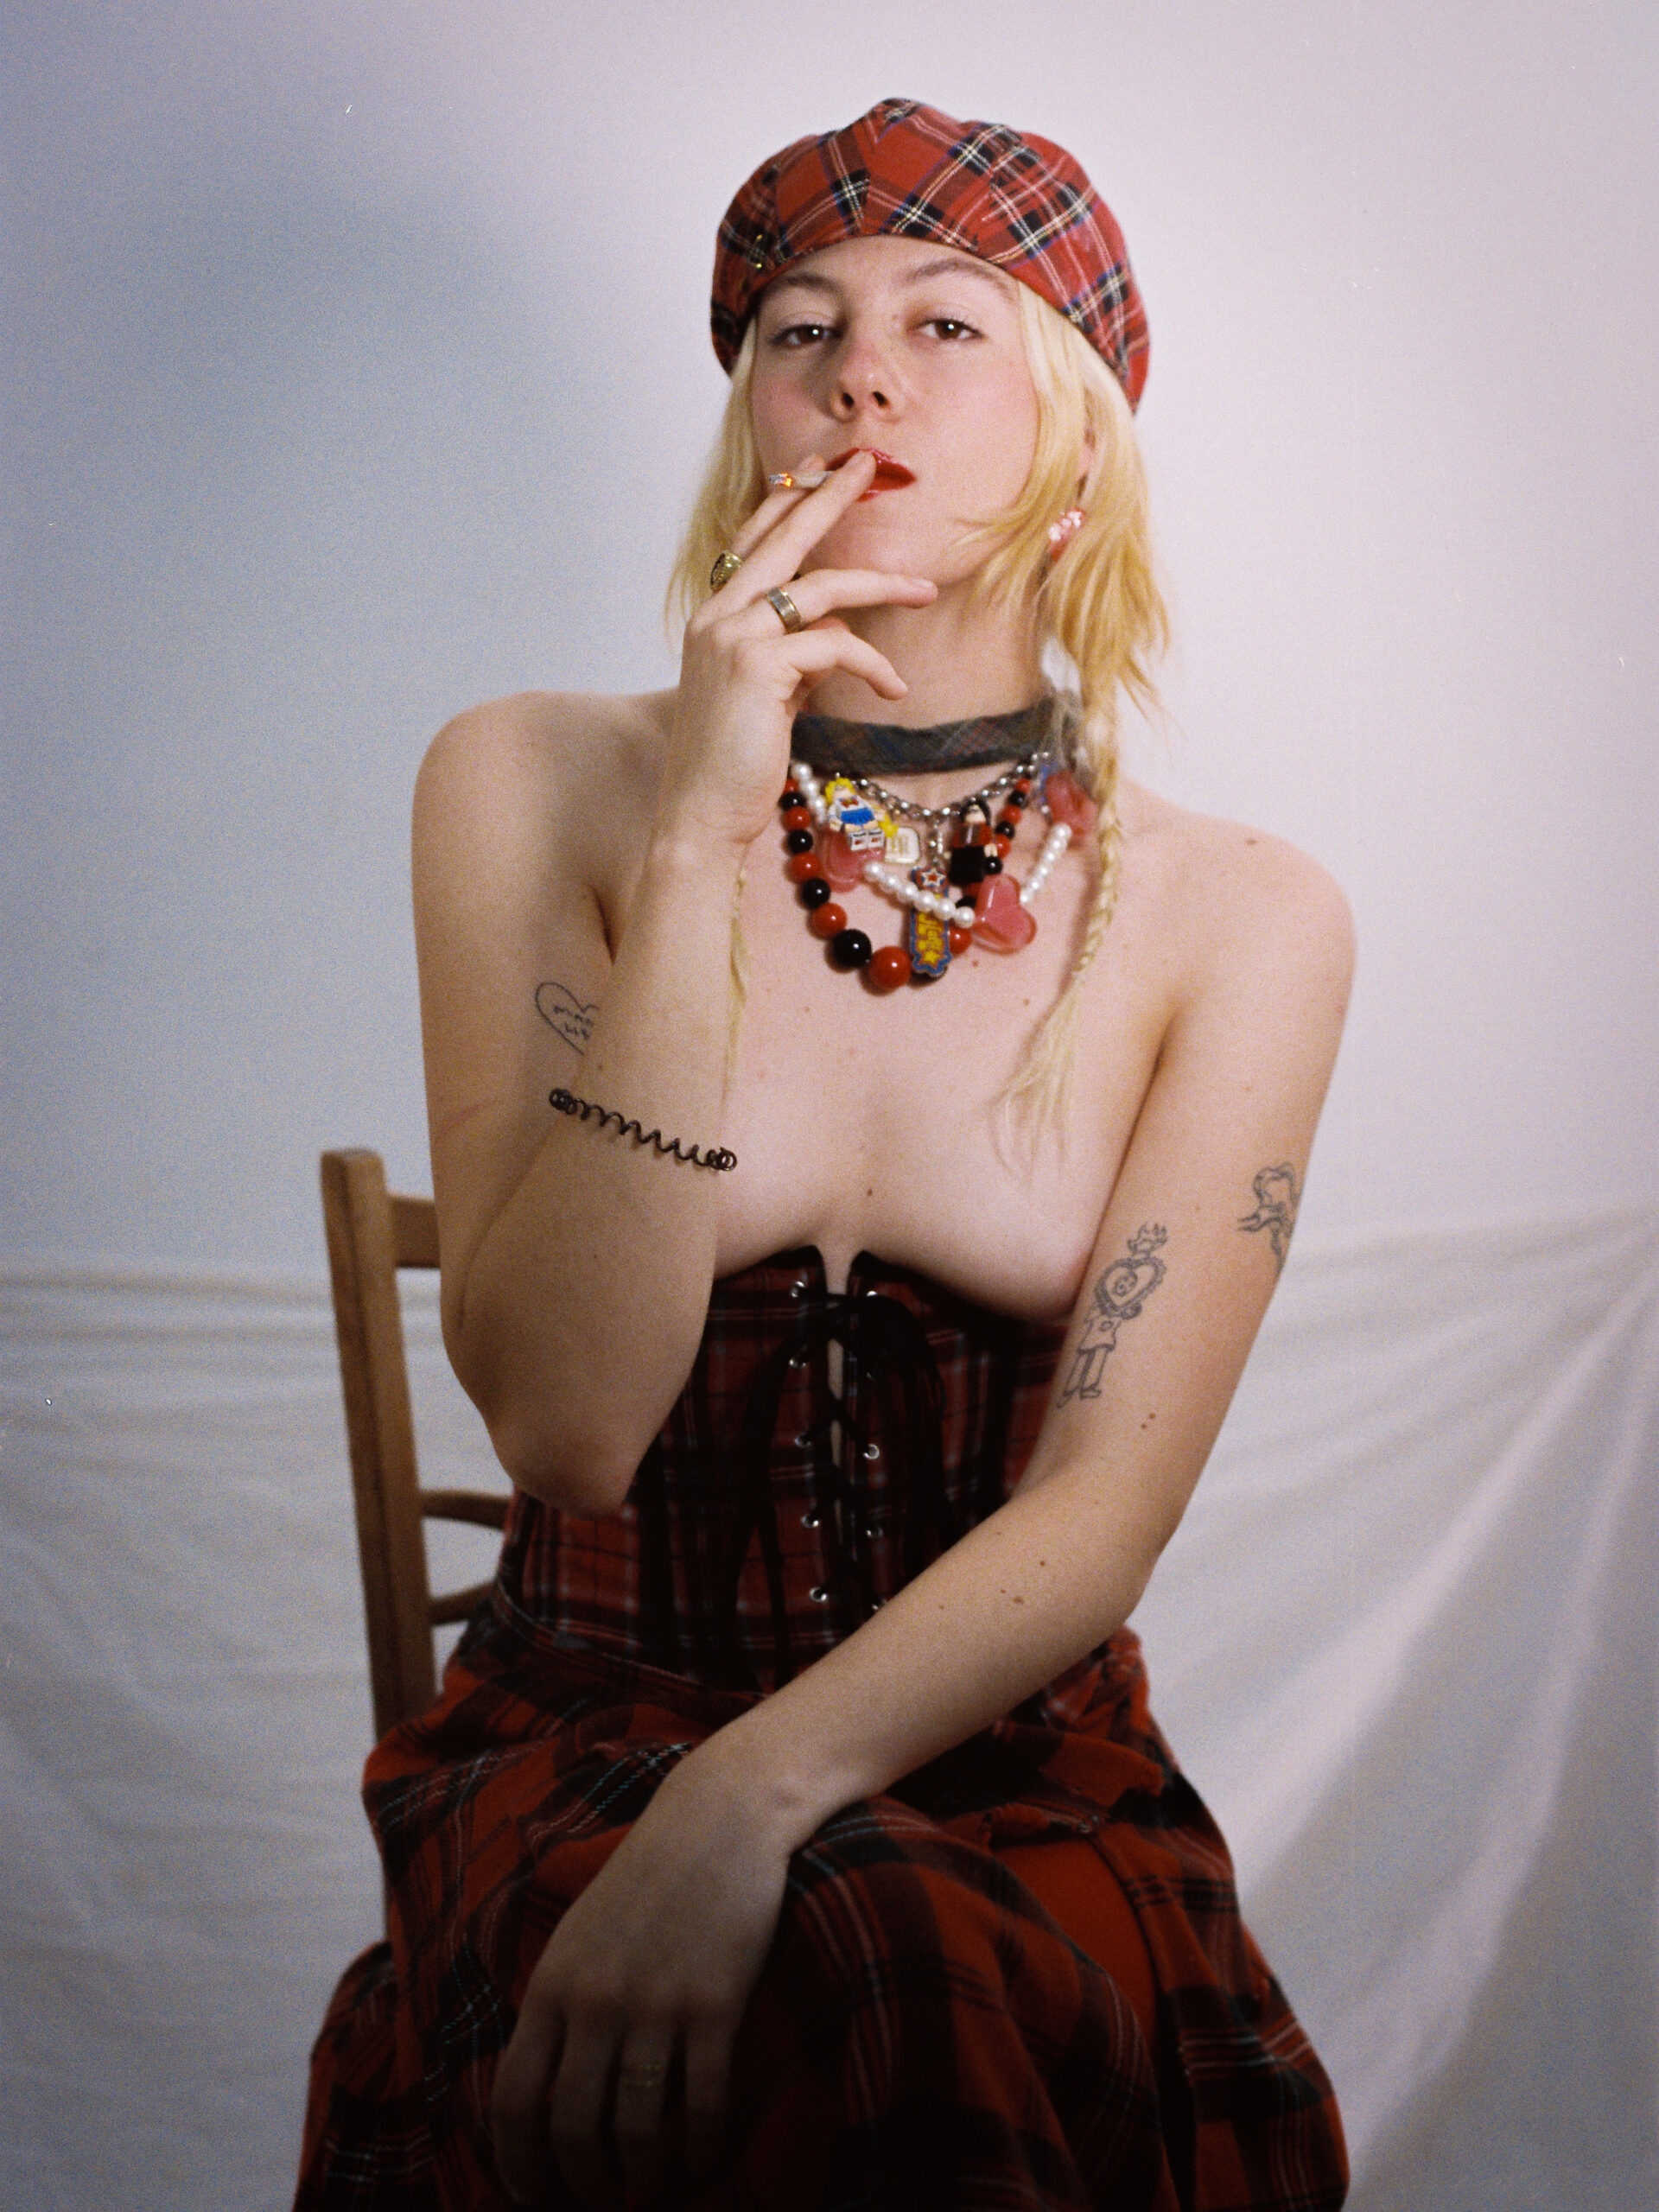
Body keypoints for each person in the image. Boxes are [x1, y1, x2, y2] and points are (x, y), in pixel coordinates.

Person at [296, 97, 1353, 2212]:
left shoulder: (1243, 914)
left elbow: (1108, 1505)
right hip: (581, 1729)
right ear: (750, 422)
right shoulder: (532, 779)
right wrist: (706, 816)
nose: (863, 373)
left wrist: (748, 1799)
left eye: (949, 325)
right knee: (861, 1956)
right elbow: (570, 1421)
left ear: (1078, 437)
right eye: (802, 328)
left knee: (893, 1942)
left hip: (1020, 1774)